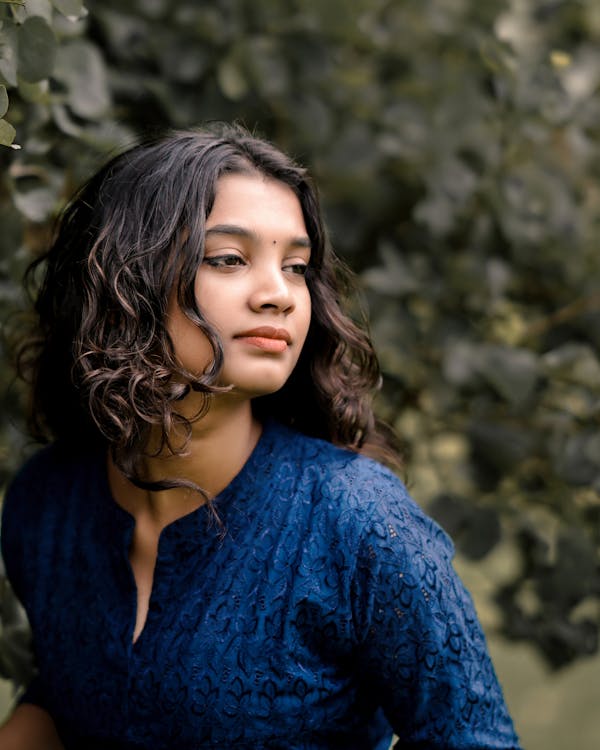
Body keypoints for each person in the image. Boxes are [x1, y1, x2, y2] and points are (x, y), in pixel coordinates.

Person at [0, 124, 521, 749]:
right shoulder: (47, 503)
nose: (279, 294)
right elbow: (66, 697)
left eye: (296, 267)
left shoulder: (360, 525)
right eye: (228, 258)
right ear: (123, 281)